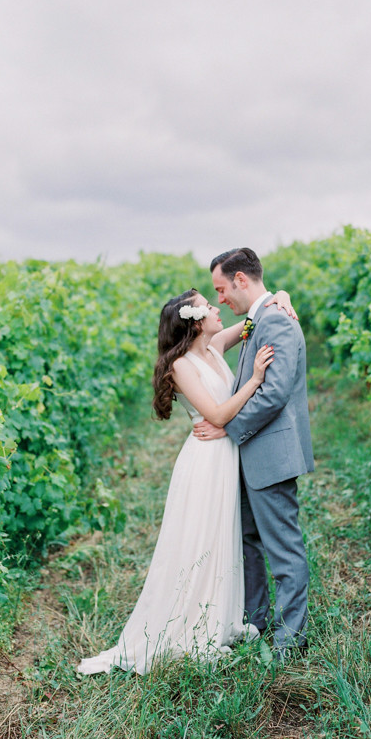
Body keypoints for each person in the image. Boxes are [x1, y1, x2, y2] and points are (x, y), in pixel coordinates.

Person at [77, 287, 293, 675]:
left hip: (224, 457)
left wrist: (282, 294)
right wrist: (256, 377)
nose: (216, 309)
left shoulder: (213, 346)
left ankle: (218, 613)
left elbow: (253, 317)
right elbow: (218, 414)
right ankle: (190, 623)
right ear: (194, 322)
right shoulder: (181, 367)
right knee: (199, 540)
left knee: (222, 535)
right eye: (209, 306)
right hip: (204, 464)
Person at [194, 248, 314, 660]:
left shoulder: (276, 321)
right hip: (248, 454)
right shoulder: (258, 319)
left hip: (270, 452)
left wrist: (228, 428)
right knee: (247, 541)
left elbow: (275, 392)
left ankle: (288, 641)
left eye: (222, 289)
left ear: (242, 280)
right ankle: (256, 622)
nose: (221, 298)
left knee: (283, 547)